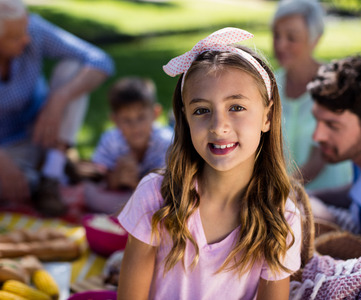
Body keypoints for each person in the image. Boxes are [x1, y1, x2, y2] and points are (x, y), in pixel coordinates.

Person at [117, 28, 312, 300]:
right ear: (184, 119)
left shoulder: (282, 217)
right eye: (201, 111)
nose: (219, 127)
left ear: (267, 117)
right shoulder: (155, 196)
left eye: (236, 107)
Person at [0, 0, 114, 216]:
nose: (27, 39)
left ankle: (51, 175)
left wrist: (58, 99)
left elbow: (100, 60)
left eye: (25, 30)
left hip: (46, 126)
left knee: (74, 68)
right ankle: (54, 169)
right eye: (15, 37)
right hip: (4, 146)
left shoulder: (31, 28)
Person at [307, 55, 361, 250]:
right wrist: (306, 196)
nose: (317, 136)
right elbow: (359, 189)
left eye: (332, 125)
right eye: (317, 120)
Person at [272, 0, 353, 190]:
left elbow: (319, 159)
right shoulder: (269, 85)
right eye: (276, 35)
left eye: (292, 37)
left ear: (315, 39)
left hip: (329, 200)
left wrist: (278, 193)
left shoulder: (334, 85)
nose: (281, 45)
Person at [82, 76, 173, 215]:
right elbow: (99, 176)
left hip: (157, 197)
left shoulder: (165, 141)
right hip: (122, 196)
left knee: (166, 203)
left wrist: (136, 182)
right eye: (126, 120)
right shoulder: (111, 139)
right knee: (90, 193)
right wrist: (117, 177)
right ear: (115, 120)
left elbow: (168, 186)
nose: (135, 126)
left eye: (141, 117)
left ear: (155, 113)